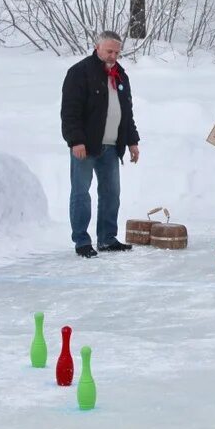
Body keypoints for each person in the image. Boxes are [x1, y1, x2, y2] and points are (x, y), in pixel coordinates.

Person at [61, 31, 140, 258]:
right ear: (97, 48)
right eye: (109, 51)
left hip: (112, 146)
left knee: (111, 194)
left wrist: (132, 141)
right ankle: (82, 241)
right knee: (81, 194)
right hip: (85, 146)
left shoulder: (120, 75)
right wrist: (76, 140)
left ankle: (107, 238)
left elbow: (127, 113)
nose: (113, 56)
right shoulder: (80, 72)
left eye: (117, 52)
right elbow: (70, 112)